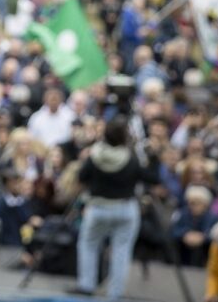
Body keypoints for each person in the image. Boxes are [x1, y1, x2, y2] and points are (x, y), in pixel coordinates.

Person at [71, 117, 159, 299]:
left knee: (88, 245)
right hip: (125, 209)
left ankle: (86, 285)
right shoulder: (131, 159)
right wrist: (153, 157)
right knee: (121, 250)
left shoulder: (95, 156)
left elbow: (81, 177)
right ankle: (115, 293)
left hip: (98, 209)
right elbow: (153, 178)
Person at [175, 185, 218, 267]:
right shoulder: (183, 214)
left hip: (204, 252)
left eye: (198, 203)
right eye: (192, 203)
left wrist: (203, 237)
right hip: (184, 250)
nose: (194, 206)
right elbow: (174, 230)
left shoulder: (213, 217)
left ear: (205, 204)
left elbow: (216, 234)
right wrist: (185, 234)